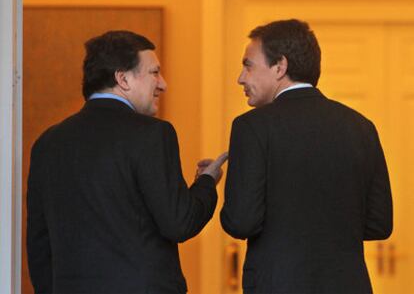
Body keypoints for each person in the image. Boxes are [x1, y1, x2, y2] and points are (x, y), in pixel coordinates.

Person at [27, 30, 227, 294]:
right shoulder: (153, 134)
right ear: (122, 78)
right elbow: (179, 223)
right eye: (154, 72)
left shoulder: (47, 143)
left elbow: (39, 246)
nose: (163, 84)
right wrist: (206, 182)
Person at [220, 19, 392, 294]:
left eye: (248, 65)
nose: (241, 77)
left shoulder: (251, 127)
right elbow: (380, 224)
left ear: (280, 67)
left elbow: (241, 221)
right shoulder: (361, 127)